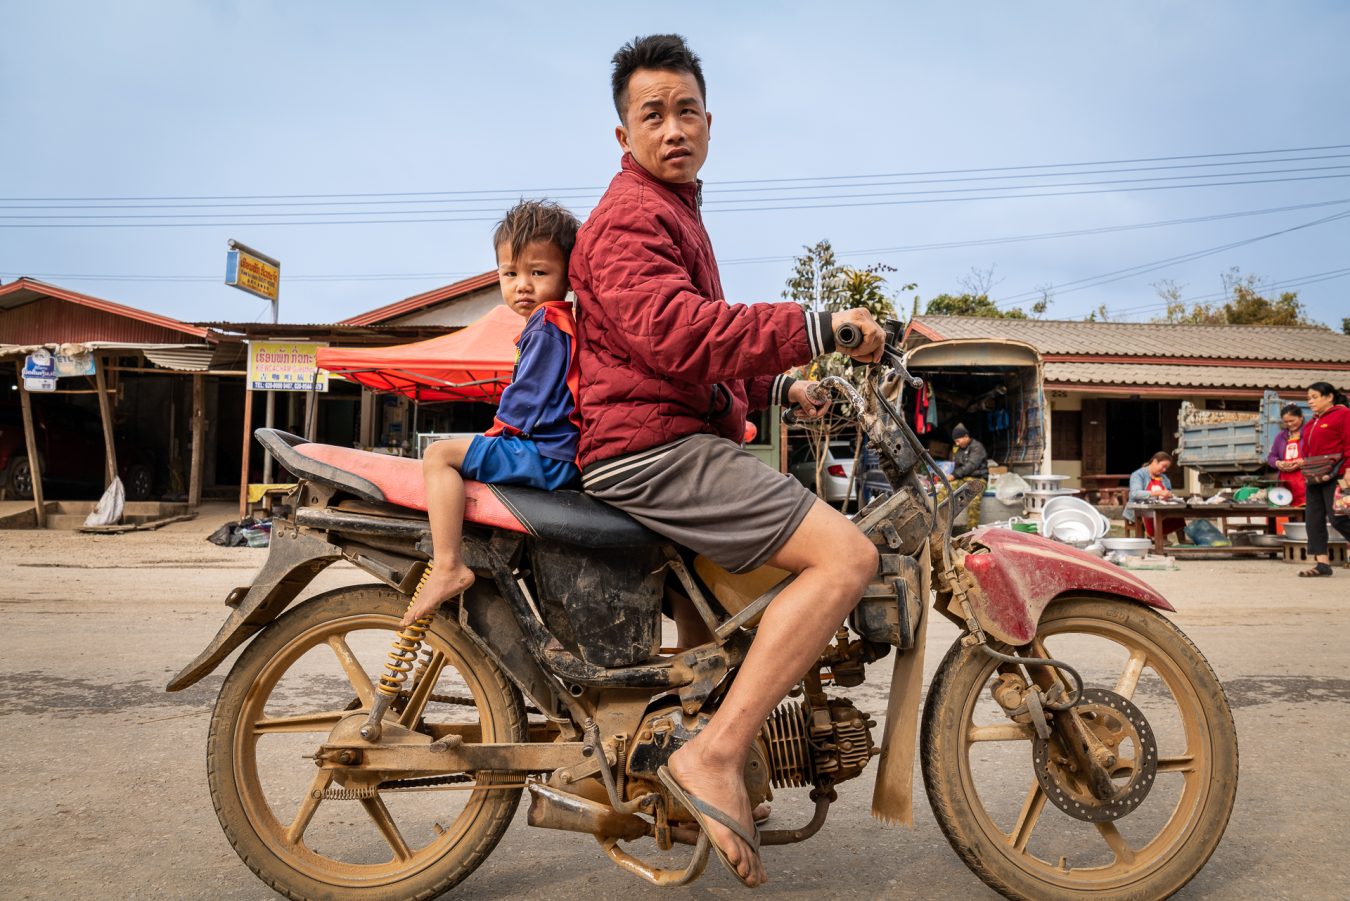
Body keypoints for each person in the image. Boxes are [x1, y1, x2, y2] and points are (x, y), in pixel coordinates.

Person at [568, 34, 884, 886]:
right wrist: (819, 328)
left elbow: (676, 356)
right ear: (623, 134)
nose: (673, 127)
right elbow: (679, 334)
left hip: (671, 432)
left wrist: (782, 391)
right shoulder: (631, 217)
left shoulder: (674, 211)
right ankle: (716, 755)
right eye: (652, 114)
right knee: (848, 554)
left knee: (727, 629)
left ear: (710, 121)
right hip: (651, 452)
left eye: (687, 110)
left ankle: (713, 757)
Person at [402, 200, 583, 626]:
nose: (523, 285)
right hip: (554, 453)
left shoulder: (547, 326)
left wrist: (496, 432)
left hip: (547, 455)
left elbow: (526, 399)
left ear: (568, 274)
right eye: (510, 273)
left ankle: (448, 564)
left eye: (539, 273)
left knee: (440, 456)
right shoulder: (557, 322)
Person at [1292, 382, 1350, 577]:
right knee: (1313, 520)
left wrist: (1349, 469)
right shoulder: (1312, 421)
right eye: (1308, 398)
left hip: (1337, 474)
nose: (1310, 401)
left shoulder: (1343, 415)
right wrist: (1297, 463)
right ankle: (1322, 564)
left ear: (1329, 397)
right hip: (1314, 475)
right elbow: (1310, 451)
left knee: (1339, 518)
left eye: (1315, 397)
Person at [1124, 451, 1185, 544]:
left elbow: (1168, 492)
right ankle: (1157, 540)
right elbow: (1135, 494)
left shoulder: (1164, 478)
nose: (1164, 470)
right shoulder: (1138, 475)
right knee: (1154, 514)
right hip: (1139, 510)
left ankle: (1182, 542)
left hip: (1160, 507)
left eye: (1166, 468)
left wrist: (1168, 495)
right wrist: (1158, 493)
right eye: (1163, 466)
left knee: (1176, 513)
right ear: (1155, 461)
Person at [949, 423, 988, 529]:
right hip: (963, 479)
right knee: (944, 491)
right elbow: (957, 466)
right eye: (955, 441)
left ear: (966, 436)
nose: (957, 444)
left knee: (973, 501)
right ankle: (938, 524)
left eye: (958, 440)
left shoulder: (977, 447)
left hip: (978, 479)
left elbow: (971, 465)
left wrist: (954, 475)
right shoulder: (959, 449)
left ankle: (972, 531)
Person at [1268, 403, 1307, 508]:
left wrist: (1302, 462)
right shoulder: (1280, 436)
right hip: (1286, 482)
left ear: (1301, 418)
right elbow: (1271, 457)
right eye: (1286, 422)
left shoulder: (1309, 433)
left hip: (1306, 481)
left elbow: (1318, 455)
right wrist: (1278, 463)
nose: (1289, 424)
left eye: (1292, 420)